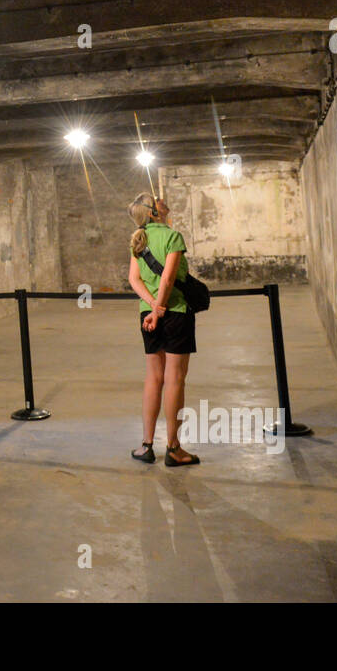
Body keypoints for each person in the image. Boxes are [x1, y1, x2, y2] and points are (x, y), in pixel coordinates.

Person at [127, 192, 201, 466]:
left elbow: (134, 280)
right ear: (152, 212)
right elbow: (168, 278)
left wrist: (152, 308)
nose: (161, 199)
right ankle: (173, 448)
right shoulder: (173, 237)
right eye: (156, 199)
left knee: (153, 378)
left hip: (147, 315)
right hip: (176, 313)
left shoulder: (139, 240)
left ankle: (146, 445)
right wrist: (161, 308)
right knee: (175, 379)